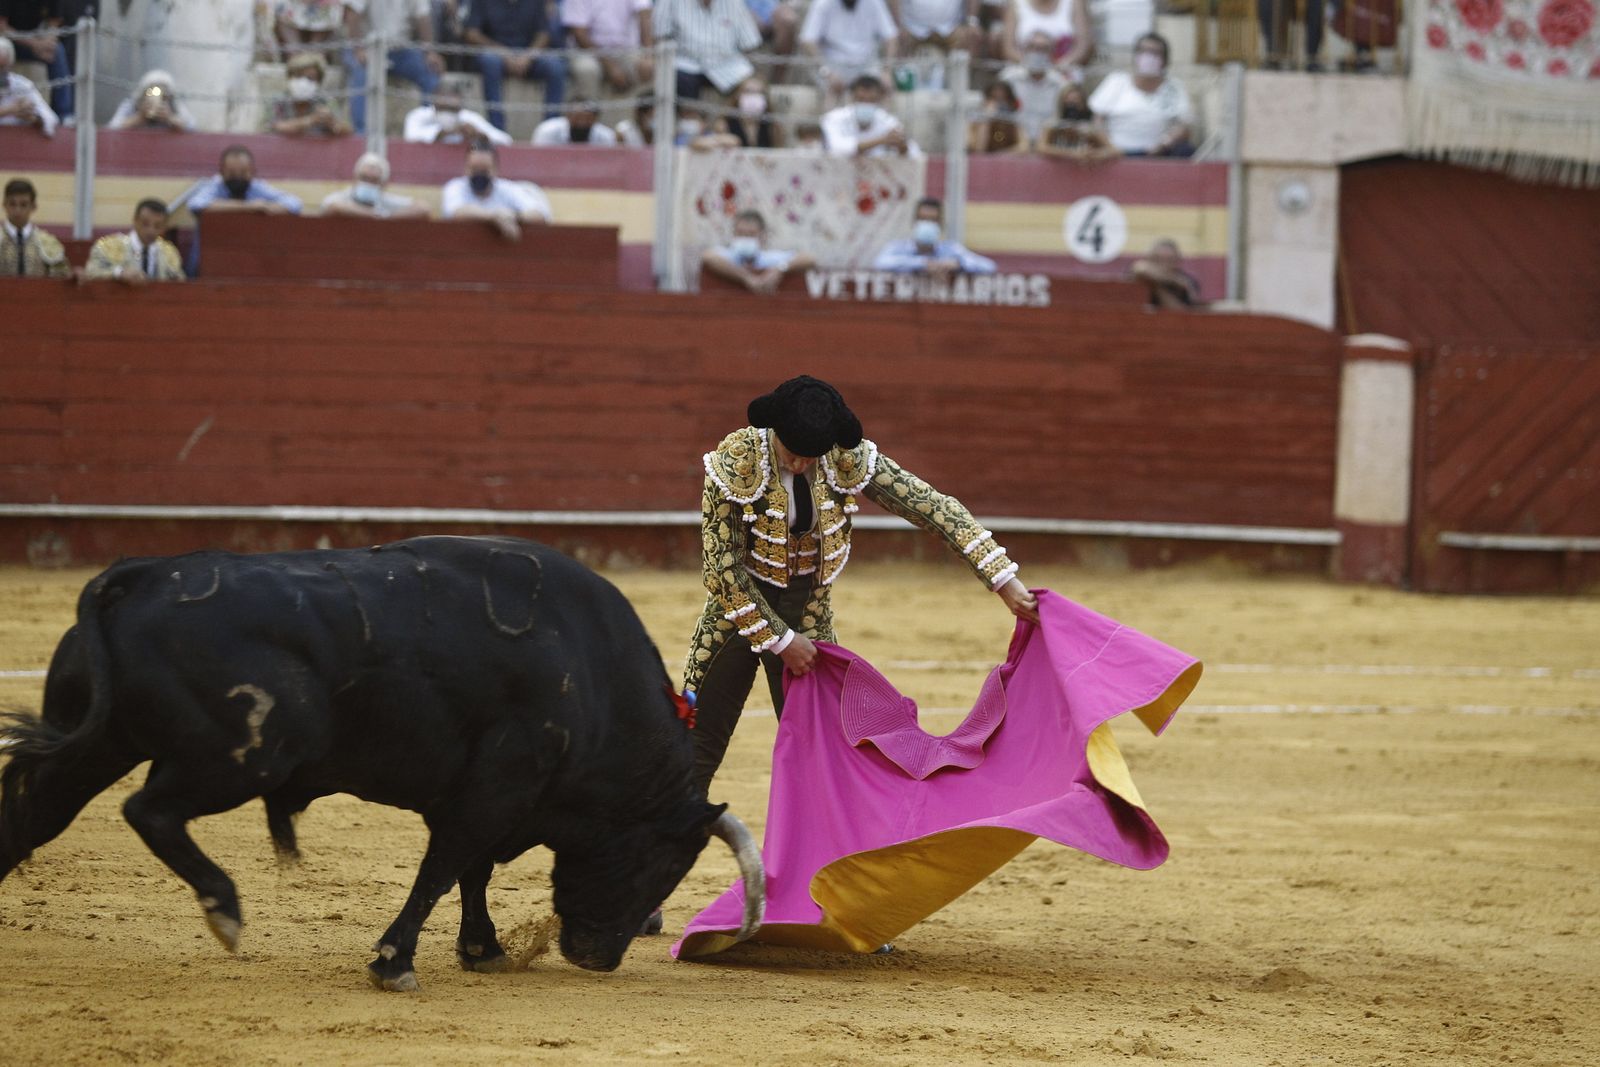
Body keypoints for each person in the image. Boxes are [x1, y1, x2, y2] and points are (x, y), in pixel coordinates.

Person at [684, 374, 1038, 799]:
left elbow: (933, 507)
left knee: (826, 761)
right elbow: (722, 569)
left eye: (809, 457)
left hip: (809, 612)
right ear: (774, 430)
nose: (799, 465)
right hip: (734, 615)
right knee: (692, 747)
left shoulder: (840, 456)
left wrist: (1002, 578)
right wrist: (780, 639)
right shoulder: (734, 461)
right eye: (792, 454)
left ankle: (817, 862)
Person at [185, 143, 304, 275]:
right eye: (231, 173)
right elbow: (195, 205)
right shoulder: (214, 185)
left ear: (252, 171)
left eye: (243, 172)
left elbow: (295, 204)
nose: (238, 178)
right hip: (206, 266)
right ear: (222, 172)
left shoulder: (257, 187)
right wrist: (249, 207)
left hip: (253, 264)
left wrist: (265, 207)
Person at [463, 0, 567, 131]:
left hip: (528, 56)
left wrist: (528, 57)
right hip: (495, 54)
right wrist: (502, 53)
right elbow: (471, 33)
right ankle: (497, 130)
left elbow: (544, 34)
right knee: (489, 61)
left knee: (555, 65)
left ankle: (551, 129)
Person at [343, 0, 442, 135]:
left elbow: (423, 18)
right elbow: (352, 14)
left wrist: (430, 52)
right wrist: (359, 49)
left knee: (430, 73)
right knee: (360, 76)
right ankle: (361, 135)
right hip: (368, 48)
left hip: (401, 50)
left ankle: (430, 132)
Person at [1087, 32, 1194, 158]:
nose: (1148, 57)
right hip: (1113, 153)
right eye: (1143, 51)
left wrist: (1163, 144)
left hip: (1158, 154)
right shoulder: (1116, 82)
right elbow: (1097, 121)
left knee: (1186, 150)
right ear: (1135, 56)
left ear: (1164, 60)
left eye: (1155, 53)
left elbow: (1184, 126)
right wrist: (1110, 147)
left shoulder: (1173, 87)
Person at [440, 141, 552, 240]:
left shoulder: (508, 189)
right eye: (474, 169)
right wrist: (494, 217)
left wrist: (513, 217)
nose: (479, 174)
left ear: (495, 170)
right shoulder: (455, 187)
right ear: (466, 168)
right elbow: (456, 213)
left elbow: (539, 214)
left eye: (484, 169)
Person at [652, 0, 760, 101]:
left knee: (752, 89)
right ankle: (690, 118)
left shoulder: (735, 2)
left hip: (727, 64)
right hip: (685, 63)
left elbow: (750, 43)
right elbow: (660, 35)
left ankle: (728, 120)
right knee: (679, 80)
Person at [798, 0, 899, 102]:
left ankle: (884, 118)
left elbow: (891, 37)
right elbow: (807, 41)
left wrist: (887, 71)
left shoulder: (874, 2)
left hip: (867, 65)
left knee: (885, 87)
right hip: (834, 65)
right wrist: (827, 72)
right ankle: (829, 118)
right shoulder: (822, 3)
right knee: (831, 91)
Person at [873, 195, 996, 275]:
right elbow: (880, 263)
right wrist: (924, 264)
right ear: (914, 222)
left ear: (940, 224)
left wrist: (958, 264)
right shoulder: (898, 247)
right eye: (923, 219)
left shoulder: (950, 249)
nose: (927, 224)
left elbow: (989, 266)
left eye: (932, 220)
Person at [702, 209, 814, 293]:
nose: (745, 238)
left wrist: (779, 270)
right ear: (734, 234)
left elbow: (809, 259)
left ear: (762, 236)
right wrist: (746, 278)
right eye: (740, 233)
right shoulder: (728, 255)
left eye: (751, 234)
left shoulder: (769, 258)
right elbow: (708, 257)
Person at [562, 0, 653, 100]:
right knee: (587, 70)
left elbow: (645, 15)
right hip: (586, 51)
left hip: (625, 50)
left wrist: (648, 55)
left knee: (647, 67)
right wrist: (610, 67)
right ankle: (590, 113)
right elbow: (579, 34)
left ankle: (638, 115)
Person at [0, 0, 73, 125]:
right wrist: (35, 44)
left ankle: (64, 115)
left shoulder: (23, 86)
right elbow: (2, 26)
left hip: (34, 41)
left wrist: (47, 43)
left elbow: (54, 21)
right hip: (8, 39)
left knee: (57, 51)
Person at [82, 199, 185, 283]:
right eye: (145, 224)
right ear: (135, 221)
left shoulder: (169, 252)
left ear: (164, 227)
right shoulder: (109, 246)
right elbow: (90, 272)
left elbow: (180, 280)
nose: (151, 231)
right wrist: (119, 273)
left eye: (157, 226)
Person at [820, 73, 919, 158]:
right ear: (852, 98)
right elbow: (836, 147)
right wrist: (882, 140)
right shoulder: (833, 118)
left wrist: (902, 147)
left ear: (879, 99)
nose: (866, 104)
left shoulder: (888, 120)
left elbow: (914, 153)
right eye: (861, 99)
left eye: (871, 100)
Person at [1003, 30, 1067, 143]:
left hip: (1048, 144)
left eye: (1043, 49)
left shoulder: (1061, 84)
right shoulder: (1008, 79)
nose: (1037, 53)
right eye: (1032, 47)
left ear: (1051, 53)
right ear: (1024, 50)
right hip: (1014, 143)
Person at [269, 50, 353, 137]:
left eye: (310, 78)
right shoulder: (279, 101)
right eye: (298, 76)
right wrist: (312, 120)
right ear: (289, 78)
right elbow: (276, 127)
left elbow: (347, 131)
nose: (303, 82)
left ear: (318, 82)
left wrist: (332, 123)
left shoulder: (325, 101)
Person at [320, 152, 429, 218]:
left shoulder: (386, 200)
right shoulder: (343, 197)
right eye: (364, 178)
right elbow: (333, 207)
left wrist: (387, 217)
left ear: (383, 184)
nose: (367, 183)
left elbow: (423, 208)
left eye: (374, 180)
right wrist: (375, 216)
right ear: (354, 179)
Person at [401, 83, 511, 145]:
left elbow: (506, 140)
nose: (448, 113)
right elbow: (410, 137)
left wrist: (479, 135)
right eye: (444, 108)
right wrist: (445, 132)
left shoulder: (468, 118)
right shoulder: (418, 115)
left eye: (452, 109)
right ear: (434, 103)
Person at [998, 0, 1091, 73]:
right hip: (1022, 69)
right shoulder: (1016, 3)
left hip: (1065, 71)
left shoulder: (1075, 2)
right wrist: (1032, 66)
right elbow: (1008, 48)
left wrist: (1061, 66)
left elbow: (1083, 45)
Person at [1, 177, 68, 277]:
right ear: (4, 205)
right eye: (12, 204)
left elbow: (61, 278)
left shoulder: (47, 242)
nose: (17, 210)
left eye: (23, 205)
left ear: (33, 206)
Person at [1034, 82, 1113, 161]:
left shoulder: (1092, 127)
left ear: (1083, 103)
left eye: (1076, 101)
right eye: (1069, 102)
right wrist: (1071, 153)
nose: (1072, 107)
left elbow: (1113, 150)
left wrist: (1094, 154)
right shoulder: (1052, 124)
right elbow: (1041, 147)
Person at [0, 36, 58, 135]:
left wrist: (32, 117)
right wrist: (8, 110)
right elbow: (11, 109)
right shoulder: (13, 107)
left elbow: (51, 119)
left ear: (9, 66)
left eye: (2, 67)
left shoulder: (20, 84)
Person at [109, 69, 198, 132]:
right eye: (151, 92)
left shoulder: (174, 106)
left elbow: (192, 127)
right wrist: (139, 117)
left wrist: (170, 118)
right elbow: (112, 128)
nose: (156, 97)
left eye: (162, 94)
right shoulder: (131, 106)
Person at [1130, 238, 1201, 309]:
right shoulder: (1182, 283)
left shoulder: (1189, 281)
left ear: (1177, 261)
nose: (1163, 265)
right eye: (1157, 260)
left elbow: (1179, 312)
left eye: (1169, 260)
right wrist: (1175, 280)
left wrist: (1156, 286)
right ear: (1149, 260)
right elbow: (1140, 268)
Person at [968, 80, 1024, 154]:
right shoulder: (976, 122)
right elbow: (978, 148)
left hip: (1006, 156)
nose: (999, 105)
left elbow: (1023, 147)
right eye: (994, 97)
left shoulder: (1015, 121)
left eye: (1002, 99)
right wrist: (987, 116)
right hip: (984, 153)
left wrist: (1000, 155)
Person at [531, 100, 618, 144]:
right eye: (578, 118)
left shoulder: (606, 136)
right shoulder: (547, 131)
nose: (582, 123)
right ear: (568, 115)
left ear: (595, 119)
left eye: (587, 118)